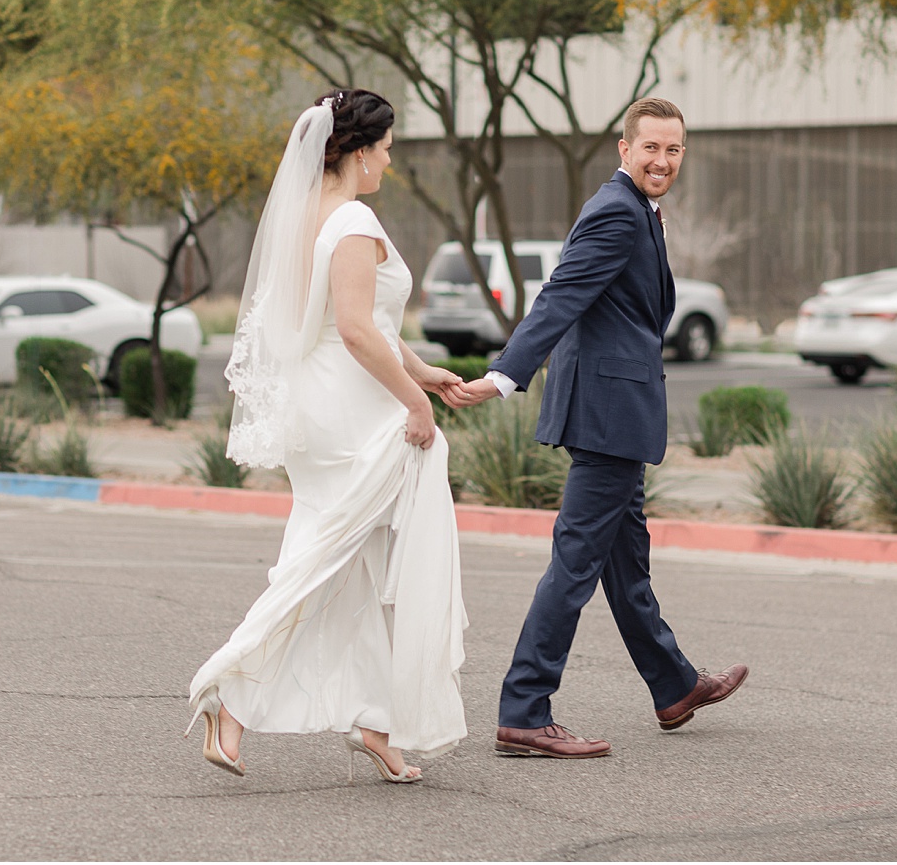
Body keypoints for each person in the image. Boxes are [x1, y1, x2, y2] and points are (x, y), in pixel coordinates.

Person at [186, 89, 475, 784]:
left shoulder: (303, 214)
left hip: (321, 404)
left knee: (349, 560)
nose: (387, 162)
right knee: (328, 558)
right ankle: (229, 691)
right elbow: (353, 326)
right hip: (352, 409)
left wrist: (422, 370)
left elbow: (359, 322)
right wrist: (416, 402)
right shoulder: (351, 218)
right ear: (356, 149)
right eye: (385, 149)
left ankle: (376, 720)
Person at [458, 97, 748, 758]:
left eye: (674, 150)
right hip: (608, 417)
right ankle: (525, 708)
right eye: (651, 147)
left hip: (614, 413)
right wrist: (505, 375)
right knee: (575, 564)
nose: (663, 160)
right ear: (624, 148)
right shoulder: (617, 212)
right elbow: (560, 296)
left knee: (626, 563)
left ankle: (673, 685)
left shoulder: (638, 211)